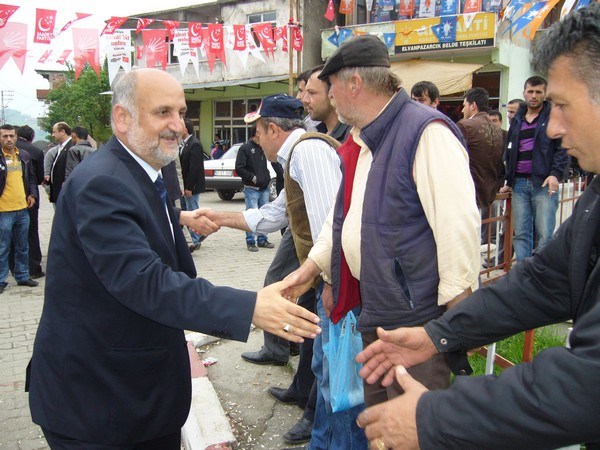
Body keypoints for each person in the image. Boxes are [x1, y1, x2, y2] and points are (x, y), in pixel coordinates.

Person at [26, 68, 322, 449]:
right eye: (163, 112)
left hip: (135, 395)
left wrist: (179, 217)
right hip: (100, 404)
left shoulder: (137, 169)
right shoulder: (102, 182)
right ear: (122, 118)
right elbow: (145, 282)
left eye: (181, 113)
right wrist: (251, 307)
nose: (178, 126)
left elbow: (140, 212)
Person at [354, 6, 600, 449]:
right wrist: (438, 335)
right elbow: (544, 281)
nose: (552, 128)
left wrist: (435, 417)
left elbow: (586, 383)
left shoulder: (428, 131)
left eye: (562, 105)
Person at [282, 34, 480, 419]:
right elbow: (342, 217)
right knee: (383, 426)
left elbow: (458, 227)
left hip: (418, 325)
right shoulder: (363, 138)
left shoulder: (426, 131)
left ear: (354, 83)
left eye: (331, 86)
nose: (329, 97)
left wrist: (460, 323)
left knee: (416, 428)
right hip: (377, 312)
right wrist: (312, 268)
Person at [501, 76, 569, 261]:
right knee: (521, 234)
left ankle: (541, 273)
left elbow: (562, 149)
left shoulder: (554, 117)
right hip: (519, 184)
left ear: (545, 94)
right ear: (524, 93)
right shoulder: (517, 119)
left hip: (544, 184)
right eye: (530, 91)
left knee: (545, 235)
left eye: (538, 92)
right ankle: (524, 273)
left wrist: (555, 174)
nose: (534, 96)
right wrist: (509, 180)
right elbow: (511, 150)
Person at [0, 124, 38, 294]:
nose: (9, 139)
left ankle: (22, 276)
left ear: (16, 137)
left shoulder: (23, 155)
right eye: (5, 136)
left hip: (22, 209)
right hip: (3, 210)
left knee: (23, 246)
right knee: (3, 248)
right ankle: (1, 280)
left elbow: (31, 178)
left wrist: (32, 194)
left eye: (11, 136)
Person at [235, 125, 275, 252]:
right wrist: (252, 178)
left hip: (264, 188)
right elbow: (239, 167)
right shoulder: (245, 148)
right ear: (257, 133)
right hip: (252, 189)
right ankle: (250, 241)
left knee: (264, 215)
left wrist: (266, 177)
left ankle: (262, 239)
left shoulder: (262, 147)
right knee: (251, 215)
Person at [14, 125, 45, 279]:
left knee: (10, 234)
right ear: (32, 137)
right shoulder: (36, 151)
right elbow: (39, 178)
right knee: (31, 232)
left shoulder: (8, 150)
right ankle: (34, 268)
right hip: (30, 198)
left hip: (9, 199)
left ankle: (14, 268)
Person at [180, 119, 206, 252]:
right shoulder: (184, 144)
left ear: (185, 130)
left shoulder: (194, 144)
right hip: (185, 186)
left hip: (192, 187)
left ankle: (196, 239)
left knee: (192, 212)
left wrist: (189, 187)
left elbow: (194, 168)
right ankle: (196, 236)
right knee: (186, 212)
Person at [46, 122, 75, 205]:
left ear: (62, 132)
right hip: (58, 192)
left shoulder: (72, 147)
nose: (52, 135)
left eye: (54, 132)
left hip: (66, 193)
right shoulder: (61, 147)